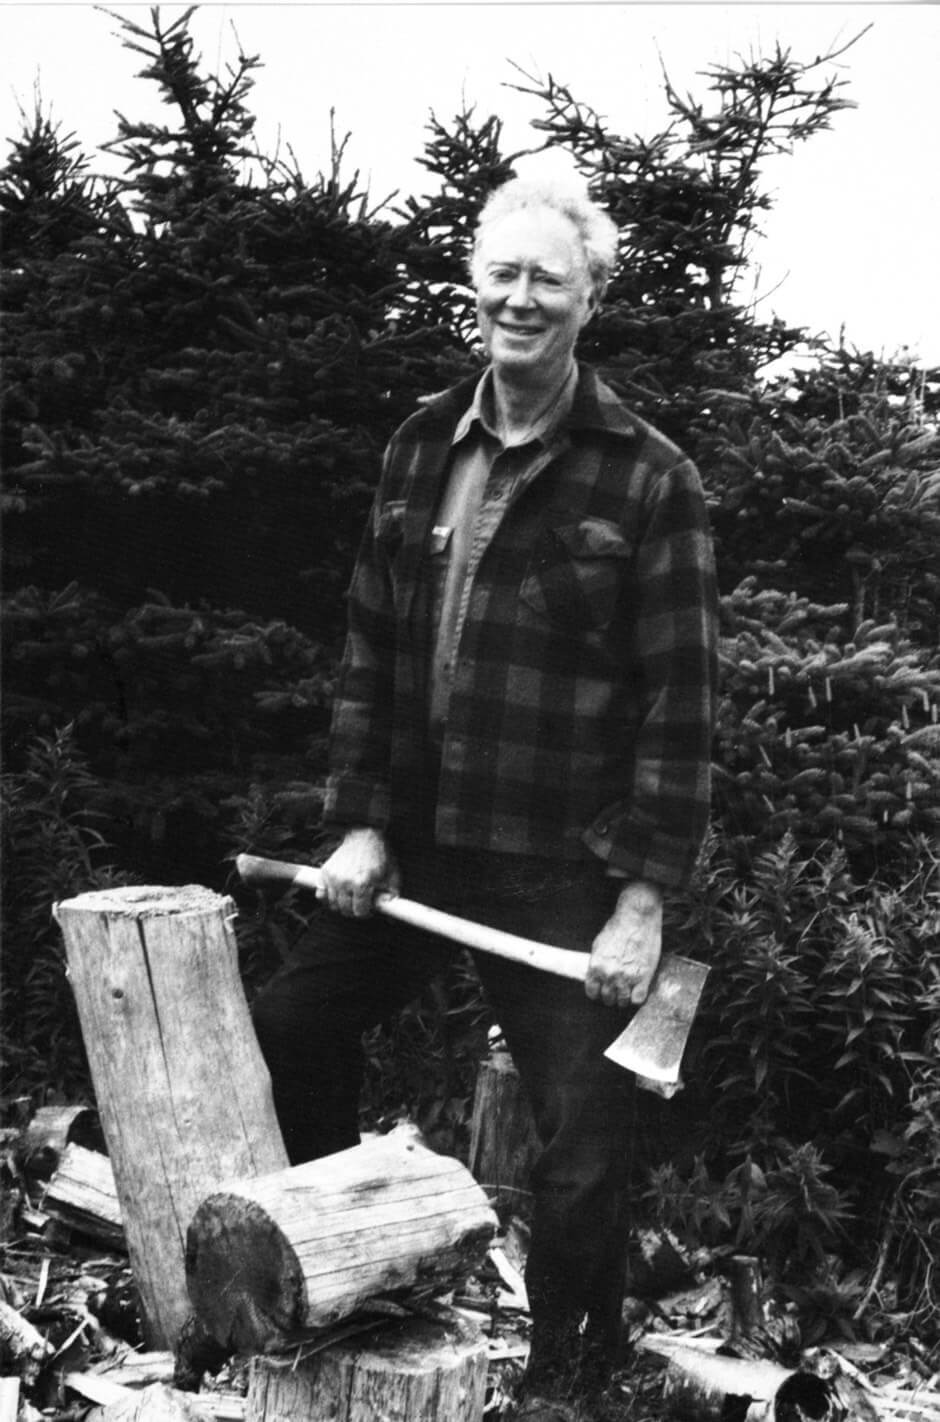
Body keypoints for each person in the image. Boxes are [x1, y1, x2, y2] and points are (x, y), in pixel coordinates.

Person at [252, 174, 718, 1421]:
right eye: (501, 274)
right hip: (411, 850)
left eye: (547, 280)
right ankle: (341, 1283)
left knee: (581, 1141)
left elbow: (681, 698)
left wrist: (641, 898)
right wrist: (357, 821)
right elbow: (368, 649)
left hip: (561, 864)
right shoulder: (417, 445)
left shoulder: (647, 478)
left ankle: (571, 1378)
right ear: (474, 279)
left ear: (587, 300)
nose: (519, 299)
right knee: (293, 1029)